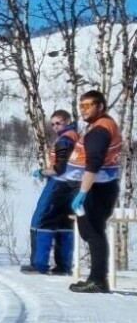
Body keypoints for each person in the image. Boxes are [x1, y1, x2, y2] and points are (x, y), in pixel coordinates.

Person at [64, 90, 120, 293]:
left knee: (93, 231)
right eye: (81, 106)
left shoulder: (100, 130)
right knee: (91, 231)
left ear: (100, 106)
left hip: (96, 189)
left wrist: (83, 192)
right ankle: (97, 278)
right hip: (99, 188)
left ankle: (98, 280)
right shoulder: (102, 125)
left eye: (88, 105)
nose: (84, 110)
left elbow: (94, 163)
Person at [21, 110, 79, 275]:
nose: (55, 127)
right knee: (65, 222)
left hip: (58, 186)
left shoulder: (65, 139)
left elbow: (60, 168)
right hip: (74, 186)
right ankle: (63, 265)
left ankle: (38, 264)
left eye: (58, 123)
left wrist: (42, 172)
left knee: (41, 221)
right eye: (53, 123)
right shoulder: (77, 137)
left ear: (68, 121)